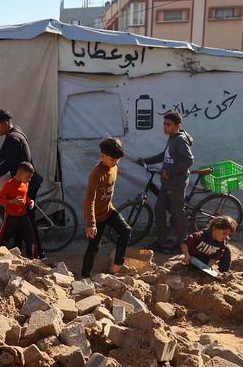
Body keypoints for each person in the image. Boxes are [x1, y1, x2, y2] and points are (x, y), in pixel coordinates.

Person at [139, 111, 194, 253]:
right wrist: (145, 160)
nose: (165, 127)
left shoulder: (180, 139)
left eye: (168, 124)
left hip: (176, 183)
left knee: (177, 212)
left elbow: (188, 160)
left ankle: (182, 244)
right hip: (166, 183)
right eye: (164, 124)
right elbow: (165, 156)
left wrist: (169, 172)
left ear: (177, 125)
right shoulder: (171, 138)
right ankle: (162, 241)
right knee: (159, 209)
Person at [81, 136, 130, 277]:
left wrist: (109, 207)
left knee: (126, 230)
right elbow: (89, 200)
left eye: (117, 160)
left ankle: (117, 264)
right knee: (93, 247)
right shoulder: (96, 174)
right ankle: (85, 276)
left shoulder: (114, 167)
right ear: (102, 155)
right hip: (96, 216)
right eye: (112, 159)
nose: (115, 163)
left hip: (108, 210)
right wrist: (91, 224)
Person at [0, 109, 41, 197]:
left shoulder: (13, 138)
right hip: (25, 180)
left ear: (5, 123)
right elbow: (0, 157)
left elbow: (9, 163)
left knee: (21, 209)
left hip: (27, 182)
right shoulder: (14, 134)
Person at [0, 162, 37, 258]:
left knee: (30, 239)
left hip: (23, 216)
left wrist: (30, 202)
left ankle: (33, 261)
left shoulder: (26, 183)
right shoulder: (9, 185)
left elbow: (25, 196)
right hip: (11, 217)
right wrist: (11, 201)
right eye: (28, 177)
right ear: (20, 174)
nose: (29, 179)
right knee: (2, 240)